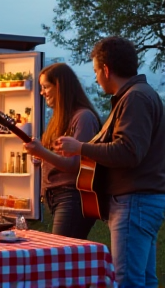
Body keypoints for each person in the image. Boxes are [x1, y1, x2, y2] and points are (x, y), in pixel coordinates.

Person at [55, 36, 165, 288]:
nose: (95, 77)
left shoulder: (135, 98)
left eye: (95, 70)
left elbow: (128, 151)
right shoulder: (139, 95)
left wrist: (80, 147)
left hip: (134, 202)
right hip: (142, 201)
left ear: (106, 69)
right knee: (145, 280)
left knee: (127, 280)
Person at [23, 63, 101, 239]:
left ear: (59, 86)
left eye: (45, 87)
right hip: (57, 197)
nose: (42, 92)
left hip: (73, 196)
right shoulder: (59, 118)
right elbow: (57, 156)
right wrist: (41, 157)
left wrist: (42, 153)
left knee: (61, 253)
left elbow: (75, 165)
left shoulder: (83, 117)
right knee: (63, 255)